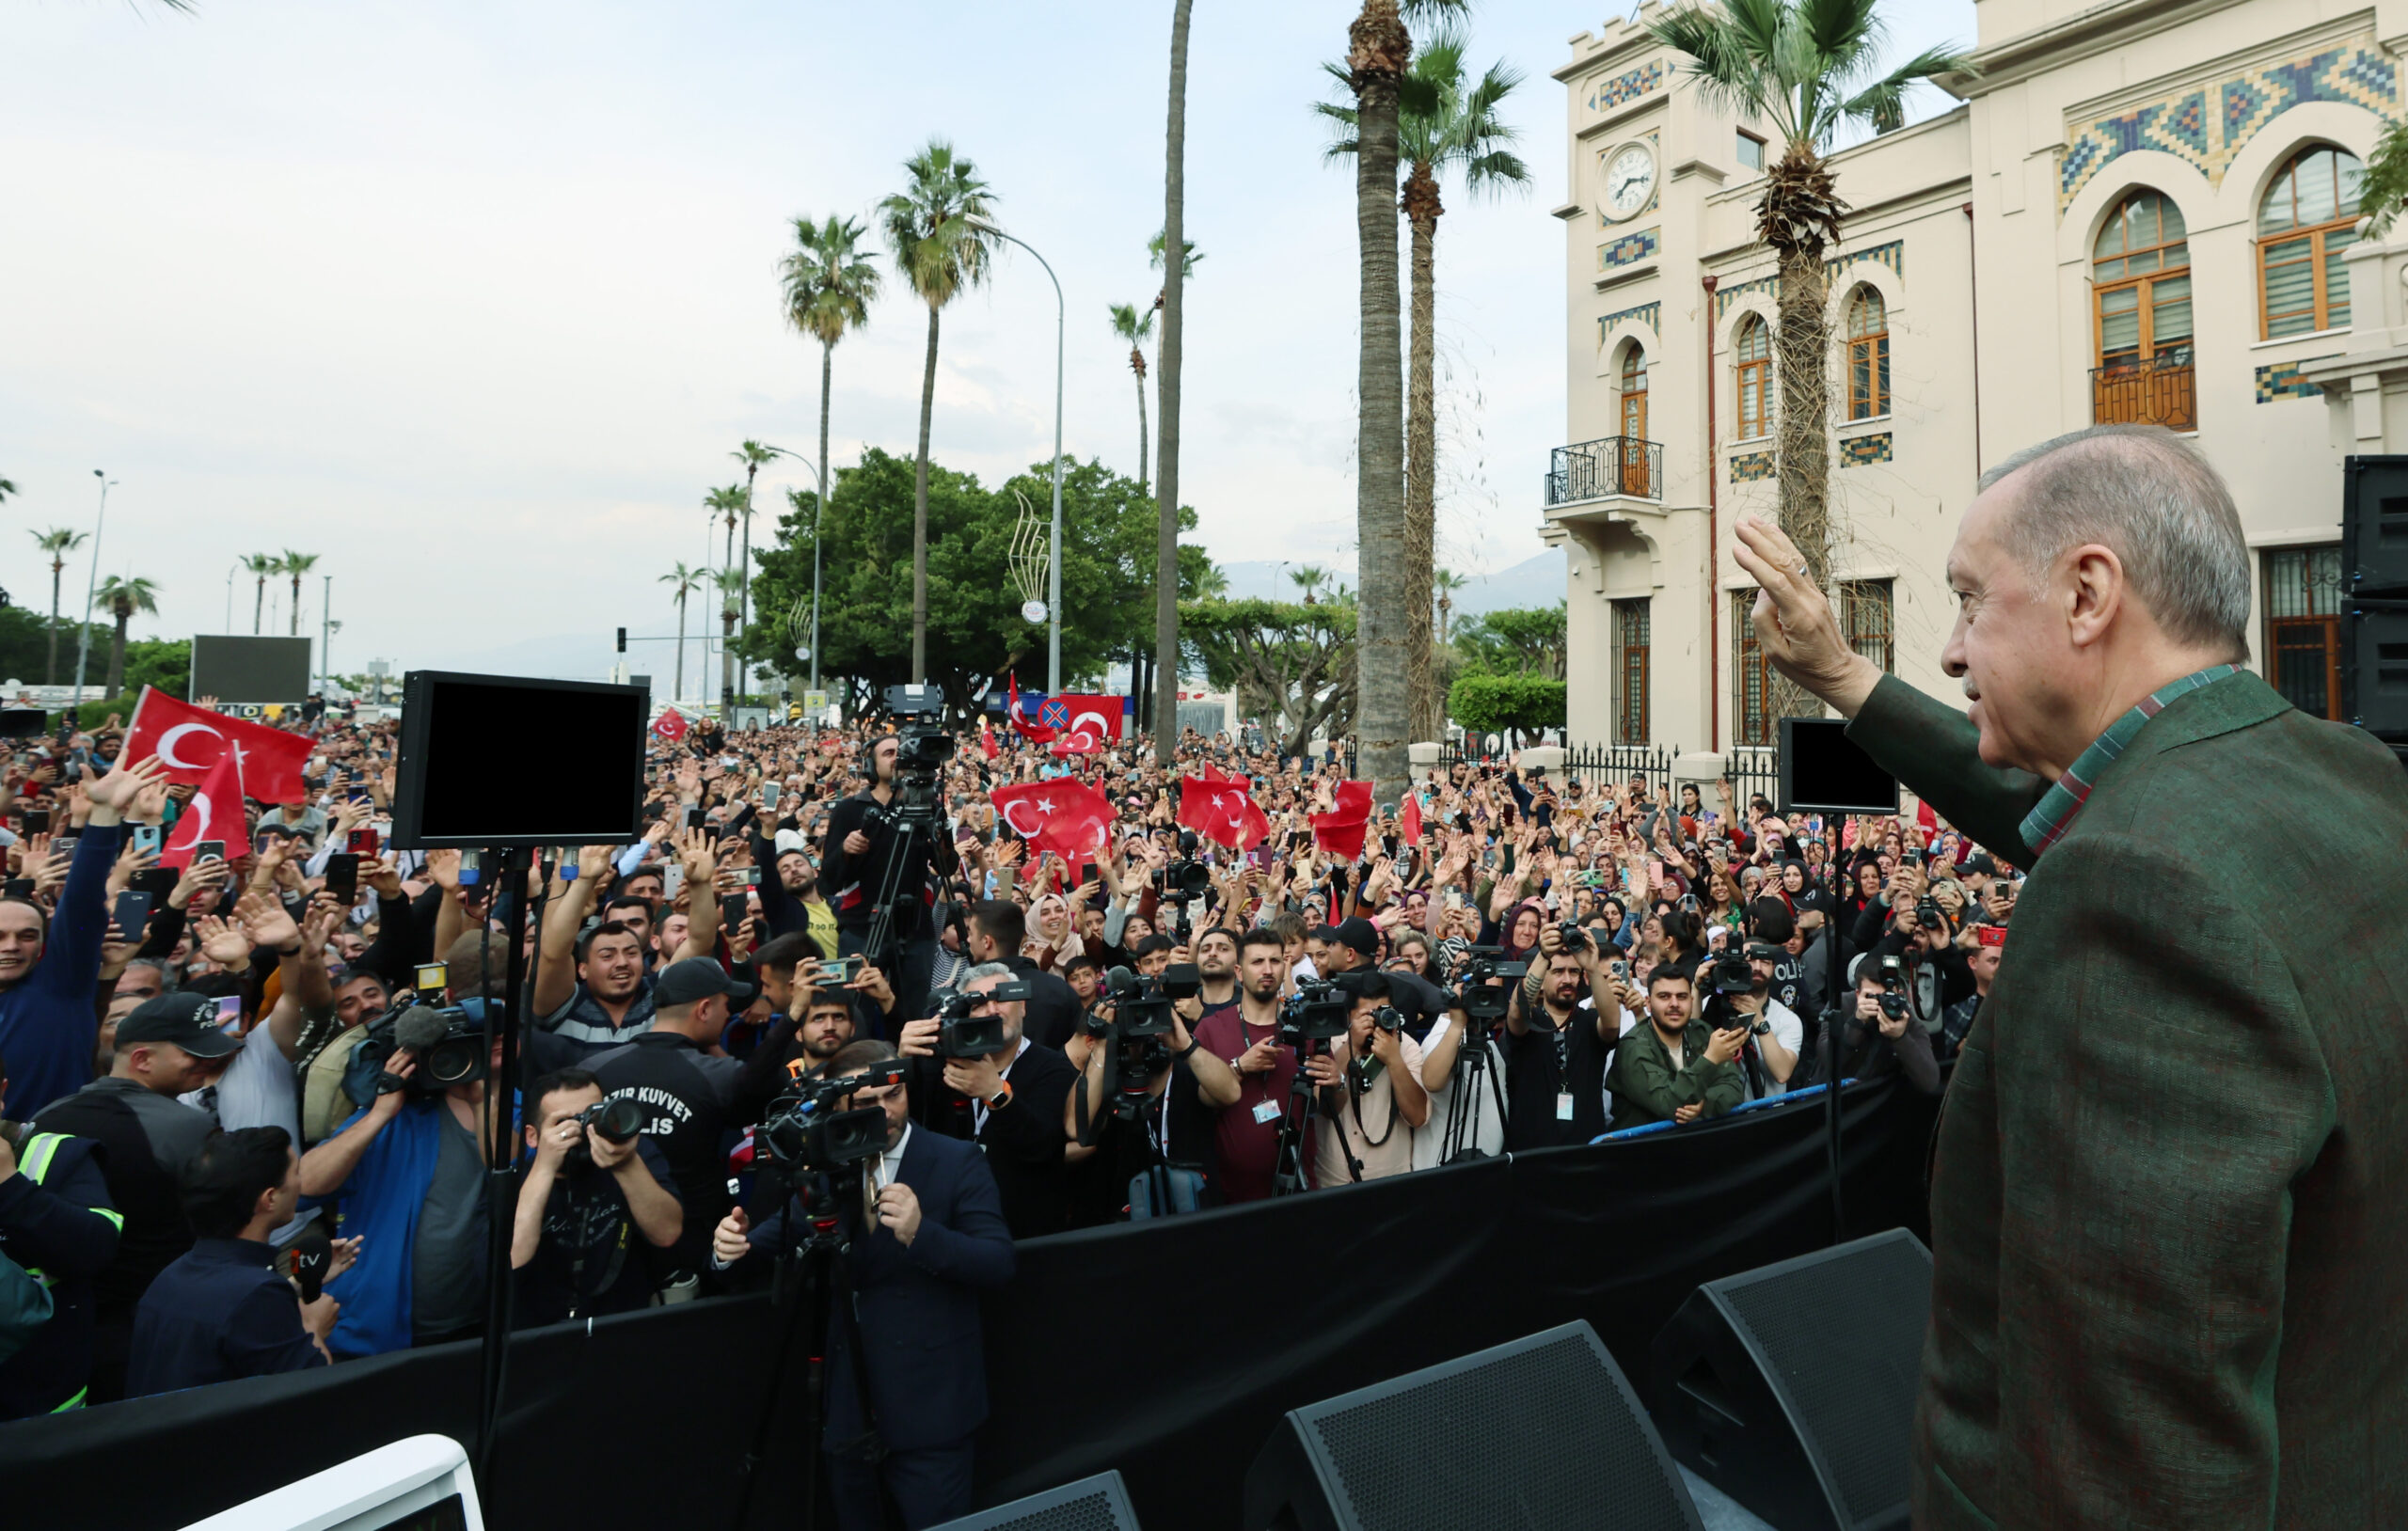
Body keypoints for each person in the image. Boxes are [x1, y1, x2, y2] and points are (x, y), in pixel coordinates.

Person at [1733, 424, 2408, 1528]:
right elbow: (2093, 807)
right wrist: (1845, 679)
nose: (1950, 652)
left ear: (2088, 592)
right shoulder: (2342, 770)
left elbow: (2134, 1466)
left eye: (1967, 600)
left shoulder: (2137, 893)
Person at [711, 1040, 1014, 1531]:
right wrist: (727, 1247)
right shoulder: (828, 1170)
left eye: (892, 1096)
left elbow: (999, 1263)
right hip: (849, 1406)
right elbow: (764, 1244)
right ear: (843, 1106)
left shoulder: (957, 1160)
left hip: (933, 1409)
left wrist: (922, 1234)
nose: (883, 1112)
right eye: (867, 1102)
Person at [31, 991, 230, 1401]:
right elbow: (225, 1224)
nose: (208, 1064)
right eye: (193, 1054)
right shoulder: (188, 1128)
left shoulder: (47, 1116)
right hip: (158, 1322)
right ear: (142, 1059)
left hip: (62, 1323)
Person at [298, 1035, 507, 1355]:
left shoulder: (511, 1105)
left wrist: (480, 1102)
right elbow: (306, 1184)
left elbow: (514, 1170)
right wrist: (380, 1112)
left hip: (477, 1326)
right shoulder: (394, 1117)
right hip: (376, 1333)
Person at [125, 1127, 356, 1396]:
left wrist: (298, 1283)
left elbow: (228, 1312)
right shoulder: (258, 1295)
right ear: (270, 1198)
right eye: (295, 1172)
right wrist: (314, 1327)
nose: (300, 1181)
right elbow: (312, 1390)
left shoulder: (169, 1277)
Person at [0, 756, 167, 1117]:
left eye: (27, 935)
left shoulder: (61, 983)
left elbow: (81, 900)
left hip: (49, 1155)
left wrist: (104, 814)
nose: (11, 947)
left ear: (45, 943)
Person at [587, 958, 750, 1283]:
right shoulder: (722, 1075)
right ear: (704, 1009)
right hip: (693, 1251)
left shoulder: (594, 1069)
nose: (728, 1014)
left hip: (603, 1247)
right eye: (725, 1005)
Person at [895, 963, 1079, 1239]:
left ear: (1024, 1007)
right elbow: (904, 1126)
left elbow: (1043, 1147)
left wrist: (996, 1094)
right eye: (978, 1003)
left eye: (1002, 998)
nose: (992, 1010)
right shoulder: (941, 1065)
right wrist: (903, 1062)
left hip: (1027, 1230)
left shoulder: (1054, 1068)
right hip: (951, 1226)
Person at [510, 1069, 682, 1326]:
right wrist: (544, 1168)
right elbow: (511, 1259)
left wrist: (626, 1165)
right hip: (540, 1331)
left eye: (592, 1115)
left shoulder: (635, 1153)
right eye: (565, 1122)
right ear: (533, 1136)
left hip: (622, 1323)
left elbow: (667, 1233)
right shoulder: (514, 1177)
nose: (582, 1129)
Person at [0, 1050, 119, 1417]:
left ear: (1, 1092)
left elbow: (95, 1251)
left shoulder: (54, 1154)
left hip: (40, 1413)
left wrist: (9, 1185)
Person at [818, 734, 962, 1030]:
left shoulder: (927, 806)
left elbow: (947, 867)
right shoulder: (850, 809)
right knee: (854, 1009)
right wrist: (845, 851)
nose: (897, 758)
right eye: (888, 753)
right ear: (871, 764)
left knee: (916, 1012)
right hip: (863, 928)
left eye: (903, 752)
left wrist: (940, 833)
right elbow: (827, 882)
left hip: (916, 929)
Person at [1188, 928, 1297, 1203]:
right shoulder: (1210, 1028)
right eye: (1257, 962)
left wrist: (1338, 1081)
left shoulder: (1304, 1027)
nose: (1268, 969)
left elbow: (1331, 1106)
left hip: (1298, 1186)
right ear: (1239, 971)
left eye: (1275, 961)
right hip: (1232, 1194)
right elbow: (1199, 1102)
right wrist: (1239, 1066)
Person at [1500, 937, 1624, 1149]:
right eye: (1557, 972)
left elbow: (1612, 1025)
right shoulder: (1531, 1021)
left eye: (1574, 972)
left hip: (1584, 1149)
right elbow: (1516, 1011)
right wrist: (1544, 954)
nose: (1567, 979)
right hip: (1531, 1152)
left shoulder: (1588, 1020)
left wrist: (1593, 968)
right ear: (1542, 979)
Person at [1304, 972, 1427, 1186]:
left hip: (1388, 1178)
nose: (1376, 1021)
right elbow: (1323, 1106)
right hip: (1332, 1178)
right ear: (1350, 1015)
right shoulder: (1330, 1043)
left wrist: (1395, 1060)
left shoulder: (1406, 1047)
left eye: (1382, 1012)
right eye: (1367, 1015)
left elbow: (1417, 1117)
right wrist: (1350, 1048)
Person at [1605, 968, 1743, 1131]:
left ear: (1692, 1001)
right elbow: (1670, 1105)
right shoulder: (1633, 1046)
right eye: (1664, 996)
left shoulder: (1701, 1031)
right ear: (1648, 1003)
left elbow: (1734, 1087)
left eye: (1682, 997)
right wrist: (1710, 1059)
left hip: (1694, 1143)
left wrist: (1704, 1104)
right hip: (1645, 1148)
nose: (1674, 1004)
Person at [960, 900, 1079, 1051]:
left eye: (970, 933)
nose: (968, 939)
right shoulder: (1061, 989)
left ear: (986, 942)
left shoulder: (969, 995)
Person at [1813, 960, 1941, 1097]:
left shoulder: (1906, 1019)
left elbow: (1930, 1082)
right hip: (1829, 1099)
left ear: (1900, 993)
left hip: (1873, 1105)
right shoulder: (1842, 1005)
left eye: (1887, 997)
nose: (1880, 1003)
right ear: (1858, 994)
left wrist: (1900, 1038)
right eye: (1872, 997)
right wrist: (1856, 1023)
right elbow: (1828, 1060)